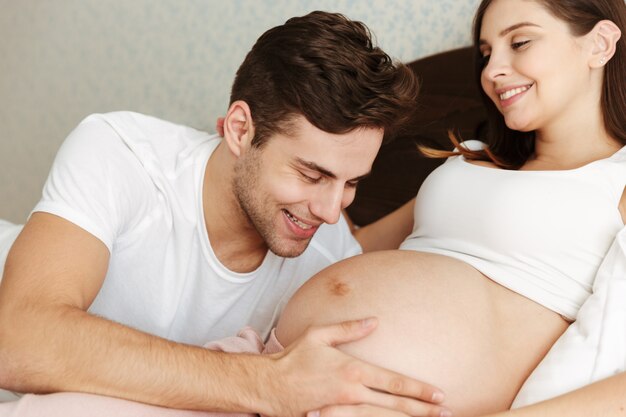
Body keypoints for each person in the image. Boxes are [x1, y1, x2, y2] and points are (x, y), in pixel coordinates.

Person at [0, 11, 449, 417]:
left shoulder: (328, 256)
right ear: (239, 129)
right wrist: (266, 382)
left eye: (351, 183)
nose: (331, 212)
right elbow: (17, 339)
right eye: (311, 174)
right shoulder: (122, 153)